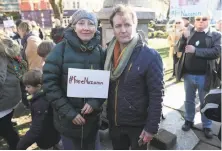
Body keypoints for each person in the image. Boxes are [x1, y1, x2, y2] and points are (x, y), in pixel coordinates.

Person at [43, 9, 105, 150]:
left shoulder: (101, 52)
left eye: (91, 24)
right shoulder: (60, 50)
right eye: (81, 23)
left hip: (92, 122)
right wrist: (70, 113)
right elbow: (49, 85)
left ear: (96, 28)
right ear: (73, 26)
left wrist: (95, 102)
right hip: (67, 122)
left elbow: (105, 83)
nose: (86, 28)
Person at [104, 5, 164, 150]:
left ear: (135, 25)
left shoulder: (150, 56)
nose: (123, 30)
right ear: (113, 28)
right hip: (115, 122)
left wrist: (151, 127)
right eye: (118, 26)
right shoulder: (107, 53)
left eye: (127, 25)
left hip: (138, 125)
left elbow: (157, 94)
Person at [176, 13, 221, 139]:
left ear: (209, 20)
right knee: (189, 100)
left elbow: (216, 52)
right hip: (189, 75)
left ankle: (207, 125)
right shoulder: (189, 32)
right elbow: (179, 49)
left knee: (204, 102)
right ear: (194, 21)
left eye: (204, 19)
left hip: (205, 76)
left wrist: (196, 51)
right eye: (198, 19)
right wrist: (184, 39)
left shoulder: (215, 35)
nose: (201, 21)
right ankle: (189, 120)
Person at [16, 70, 61, 150]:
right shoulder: (45, 94)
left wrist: (21, 145)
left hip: (46, 138)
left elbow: (36, 128)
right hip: (54, 134)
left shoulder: (40, 104)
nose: (26, 89)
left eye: (28, 87)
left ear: (38, 86)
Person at [0, 33, 21, 149]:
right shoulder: (4, 46)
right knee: (6, 128)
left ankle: (17, 147)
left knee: (6, 130)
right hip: (10, 94)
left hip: (5, 98)